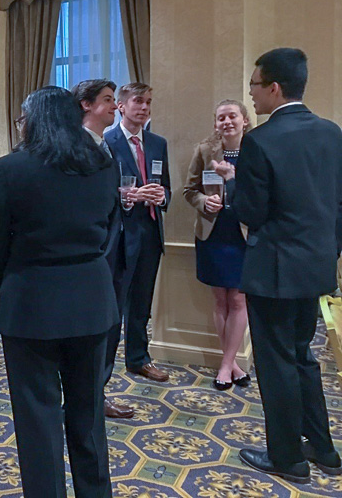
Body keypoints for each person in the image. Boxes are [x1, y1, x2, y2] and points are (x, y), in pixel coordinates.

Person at [0, 86, 118, 498]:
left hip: (30, 304)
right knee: (88, 415)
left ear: (34, 120)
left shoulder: (11, 168)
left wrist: (15, 285)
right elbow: (110, 230)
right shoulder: (101, 164)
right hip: (92, 301)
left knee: (37, 421)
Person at [216, 48, 342, 484]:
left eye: (254, 85)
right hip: (316, 265)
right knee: (302, 356)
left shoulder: (261, 140)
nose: (251, 95)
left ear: (273, 88)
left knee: (276, 364)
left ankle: (288, 457)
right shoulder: (331, 133)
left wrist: (232, 186)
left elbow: (253, 209)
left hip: (273, 268)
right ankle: (323, 448)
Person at [75, 78, 135, 420]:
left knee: (110, 324)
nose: (116, 106)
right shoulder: (79, 147)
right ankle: (91, 395)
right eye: (109, 100)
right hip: (94, 254)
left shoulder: (104, 145)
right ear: (87, 104)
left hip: (115, 247)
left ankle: (97, 390)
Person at [104, 82, 171, 383]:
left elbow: (166, 185)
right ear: (121, 106)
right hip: (120, 236)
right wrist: (126, 195)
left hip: (151, 233)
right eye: (138, 102)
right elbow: (102, 190)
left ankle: (138, 359)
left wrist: (162, 196)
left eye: (148, 103)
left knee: (141, 304)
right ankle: (102, 372)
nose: (144, 108)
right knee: (114, 307)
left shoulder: (158, 143)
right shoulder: (106, 141)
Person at [183, 100, 251, 391]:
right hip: (212, 233)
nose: (227, 122)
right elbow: (189, 191)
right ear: (215, 124)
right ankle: (232, 363)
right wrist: (204, 202)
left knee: (238, 300)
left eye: (232, 116)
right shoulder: (204, 150)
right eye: (221, 117)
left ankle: (226, 364)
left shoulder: (256, 150)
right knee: (220, 299)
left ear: (244, 121)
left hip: (245, 235)